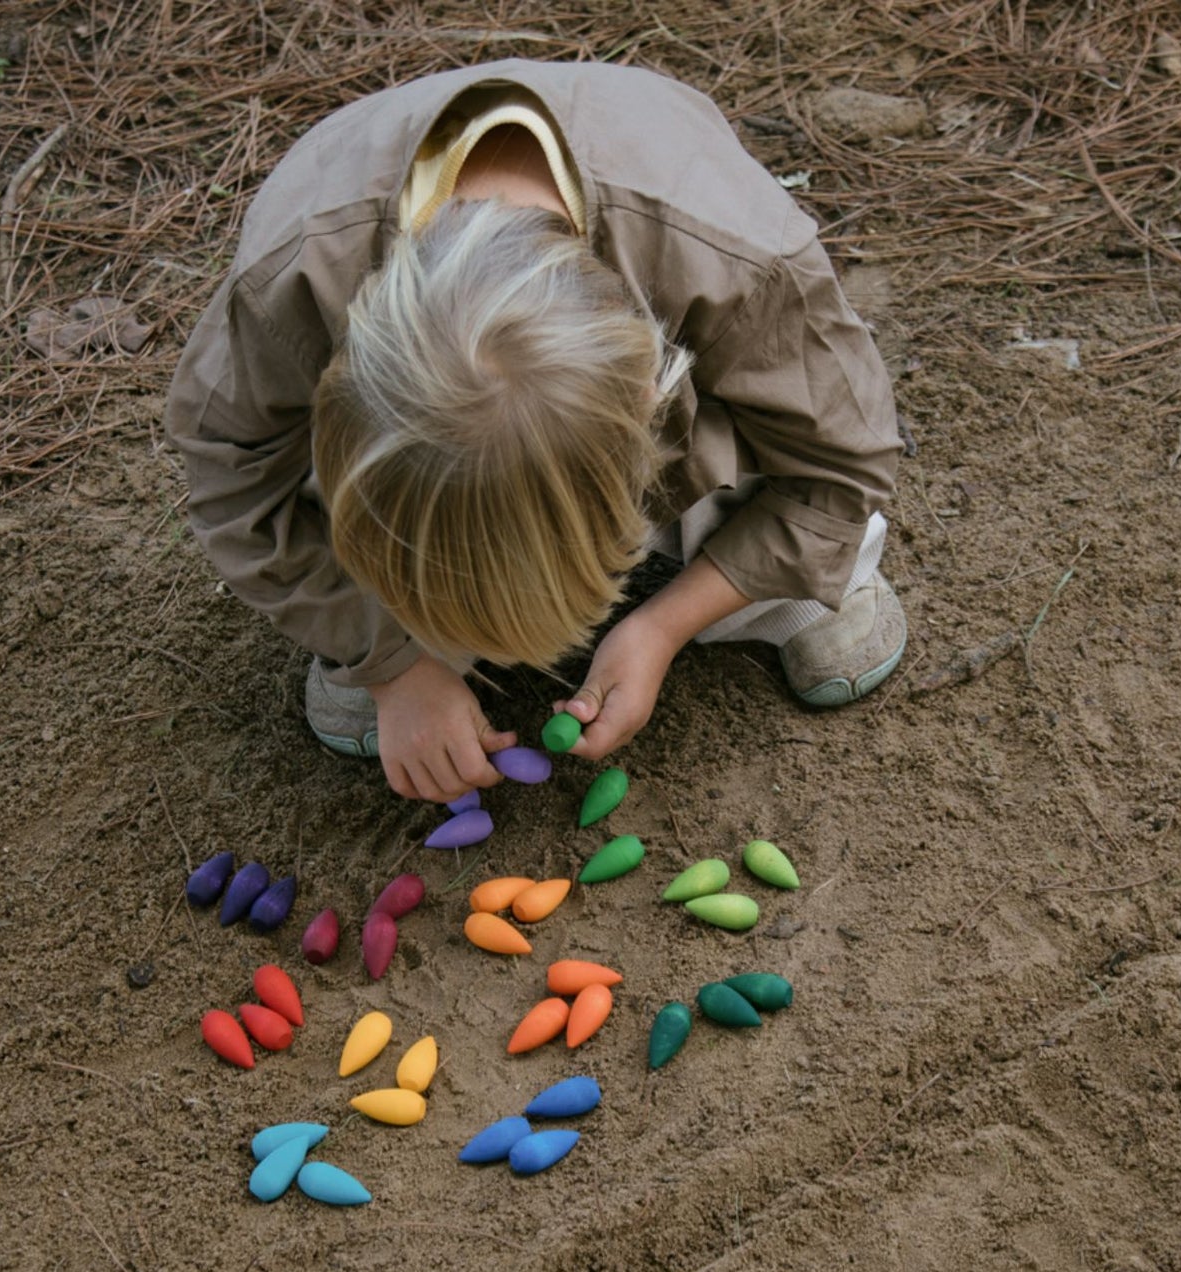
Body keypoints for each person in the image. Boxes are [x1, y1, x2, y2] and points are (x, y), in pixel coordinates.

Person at [167, 60, 906, 803]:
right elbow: (231, 486)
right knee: (320, 500)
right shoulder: (287, 291)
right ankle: (390, 633)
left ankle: (781, 594)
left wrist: (662, 625)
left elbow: (843, 464)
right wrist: (390, 664)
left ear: (649, 398)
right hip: (384, 404)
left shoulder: (739, 263)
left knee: (793, 452)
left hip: (695, 345)